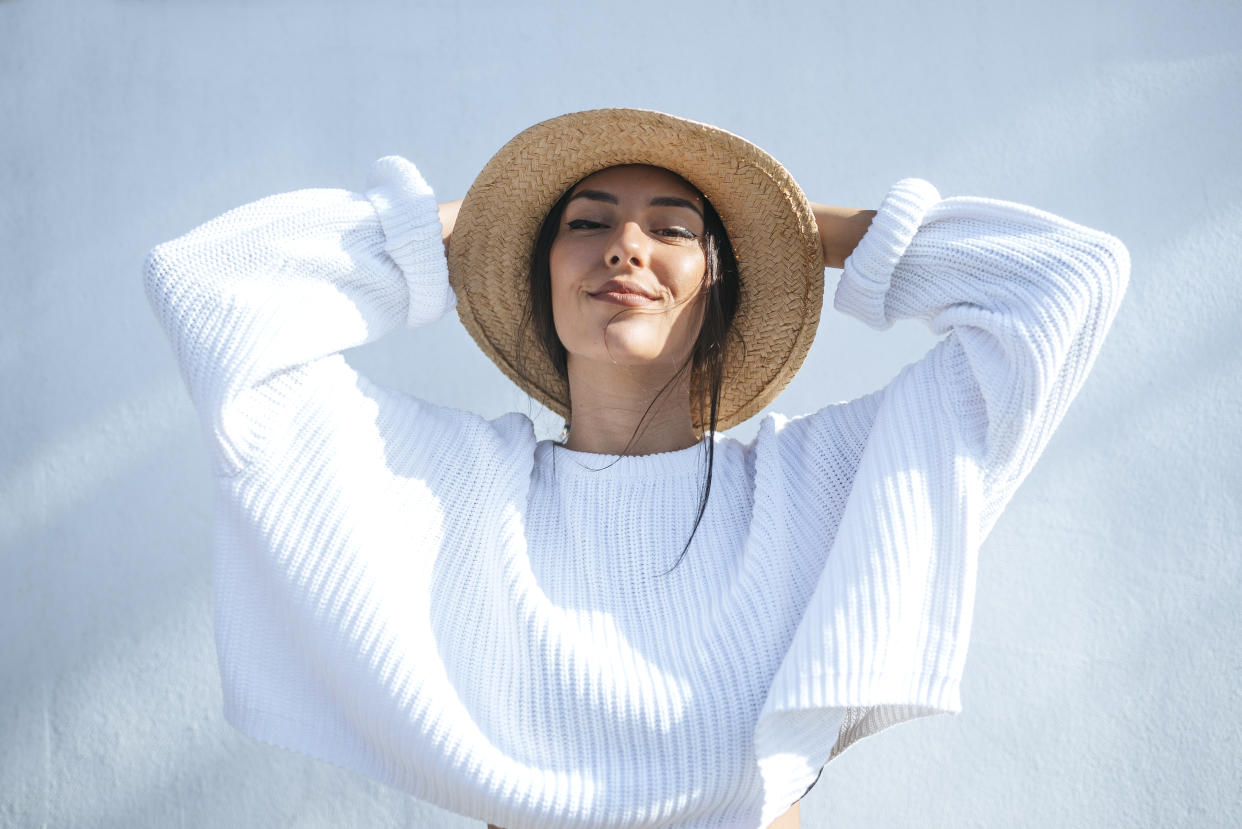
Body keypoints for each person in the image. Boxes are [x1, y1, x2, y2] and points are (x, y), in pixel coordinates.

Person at [144, 108, 1129, 829]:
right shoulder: (442, 489)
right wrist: (467, 223)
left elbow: (1066, 281)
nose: (623, 247)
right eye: (584, 221)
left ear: (718, 279)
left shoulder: (816, 484)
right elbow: (212, 284)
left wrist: (794, 230)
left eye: (672, 227)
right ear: (542, 273)